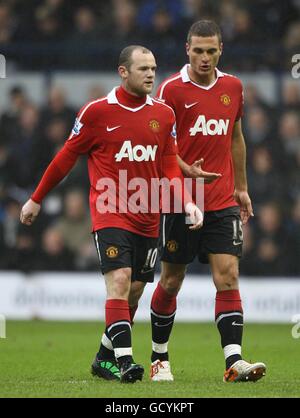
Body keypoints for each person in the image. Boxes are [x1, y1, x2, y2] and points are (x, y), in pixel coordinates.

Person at [20, 45, 205, 384]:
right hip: (110, 212)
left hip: (149, 215)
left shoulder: (164, 114)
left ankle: (103, 357)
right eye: (143, 68)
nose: (151, 74)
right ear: (123, 72)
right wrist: (36, 199)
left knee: (134, 291)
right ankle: (125, 362)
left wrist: (188, 202)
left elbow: (169, 165)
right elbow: (66, 157)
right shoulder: (96, 112)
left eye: (153, 68)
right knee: (118, 283)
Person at [149, 20, 267, 383]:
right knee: (171, 280)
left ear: (221, 51)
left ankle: (234, 362)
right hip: (180, 199)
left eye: (210, 51)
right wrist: (187, 171)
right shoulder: (170, 90)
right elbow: (160, 150)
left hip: (221, 199)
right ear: (187, 49)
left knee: (228, 276)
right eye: (197, 50)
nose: (204, 58)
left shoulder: (233, 87)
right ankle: (159, 358)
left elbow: (236, 137)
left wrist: (242, 188)